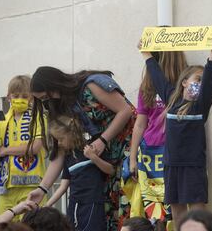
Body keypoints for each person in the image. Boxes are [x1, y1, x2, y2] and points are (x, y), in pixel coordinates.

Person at [27, 67, 136, 230]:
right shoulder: (63, 106)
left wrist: (103, 140)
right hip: (104, 164)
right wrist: (42, 189)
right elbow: (59, 154)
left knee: (131, 210)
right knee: (112, 218)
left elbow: (126, 110)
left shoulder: (91, 85)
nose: (45, 102)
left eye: (45, 97)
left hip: (129, 151)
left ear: (53, 84)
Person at [138, 32, 212, 227]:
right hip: (171, 165)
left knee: (198, 216)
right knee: (178, 216)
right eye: (197, 79)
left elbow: (210, 81)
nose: (200, 84)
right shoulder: (171, 98)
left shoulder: (200, 106)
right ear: (184, 82)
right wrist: (146, 54)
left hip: (193, 166)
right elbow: (157, 77)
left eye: (203, 80)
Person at [129, 51, 187, 223]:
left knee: (175, 205)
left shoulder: (184, 85)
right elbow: (140, 124)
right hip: (150, 153)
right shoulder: (147, 86)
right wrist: (133, 158)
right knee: (154, 209)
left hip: (174, 152)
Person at [48, 115, 115, 230]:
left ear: (71, 134)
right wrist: (47, 205)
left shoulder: (92, 148)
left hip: (92, 202)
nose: (58, 143)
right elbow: (63, 186)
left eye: (61, 139)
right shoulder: (68, 157)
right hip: (74, 204)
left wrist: (93, 158)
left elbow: (111, 170)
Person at [0, 75, 46, 221]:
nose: (19, 99)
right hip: (6, 187)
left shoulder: (38, 116)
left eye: (24, 96)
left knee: (32, 226)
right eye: (16, 95)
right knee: (3, 227)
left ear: (31, 98)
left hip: (33, 185)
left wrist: (5, 150)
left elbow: (35, 147)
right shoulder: (1, 120)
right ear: (8, 97)